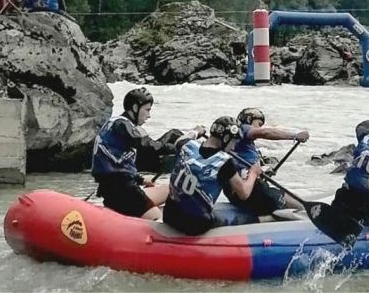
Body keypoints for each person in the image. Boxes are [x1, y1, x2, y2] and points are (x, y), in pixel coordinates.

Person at [163, 116, 261, 235]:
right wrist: (254, 173)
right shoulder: (225, 162)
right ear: (226, 138)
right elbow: (244, 194)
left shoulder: (186, 145)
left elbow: (182, 138)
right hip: (196, 224)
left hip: (169, 215)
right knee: (244, 219)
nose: (233, 147)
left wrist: (197, 131)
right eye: (233, 142)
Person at [91, 87, 176, 220]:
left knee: (172, 190)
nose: (149, 115)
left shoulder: (115, 123)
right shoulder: (122, 124)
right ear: (135, 108)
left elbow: (117, 167)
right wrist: (174, 147)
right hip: (124, 192)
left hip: (119, 188)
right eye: (147, 110)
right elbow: (146, 145)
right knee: (158, 220)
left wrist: (140, 179)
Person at [222, 107, 309, 215]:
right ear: (249, 120)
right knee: (300, 208)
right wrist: (294, 136)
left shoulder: (243, 144)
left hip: (242, 189)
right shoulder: (243, 128)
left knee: (287, 198)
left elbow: (247, 168)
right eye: (259, 123)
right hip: (249, 190)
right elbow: (265, 132)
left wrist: (264, 173)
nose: (260, 127)